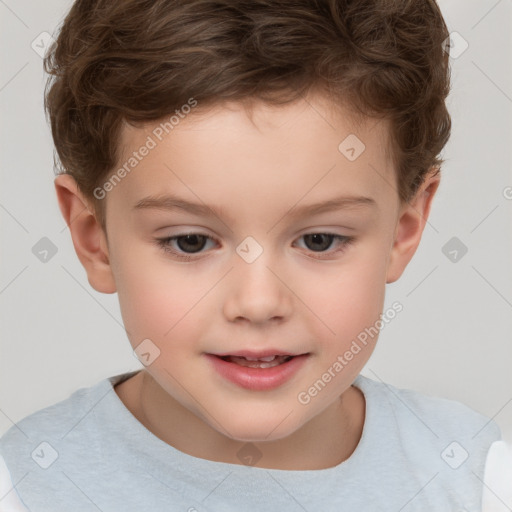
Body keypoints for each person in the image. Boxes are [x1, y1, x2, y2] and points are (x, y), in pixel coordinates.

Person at [0, 0, 505, 510]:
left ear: (403, 229)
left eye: (319, 240)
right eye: (190, 241)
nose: (259, 303)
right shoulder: (23, 488)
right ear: (95, 239)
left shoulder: (478, 482)